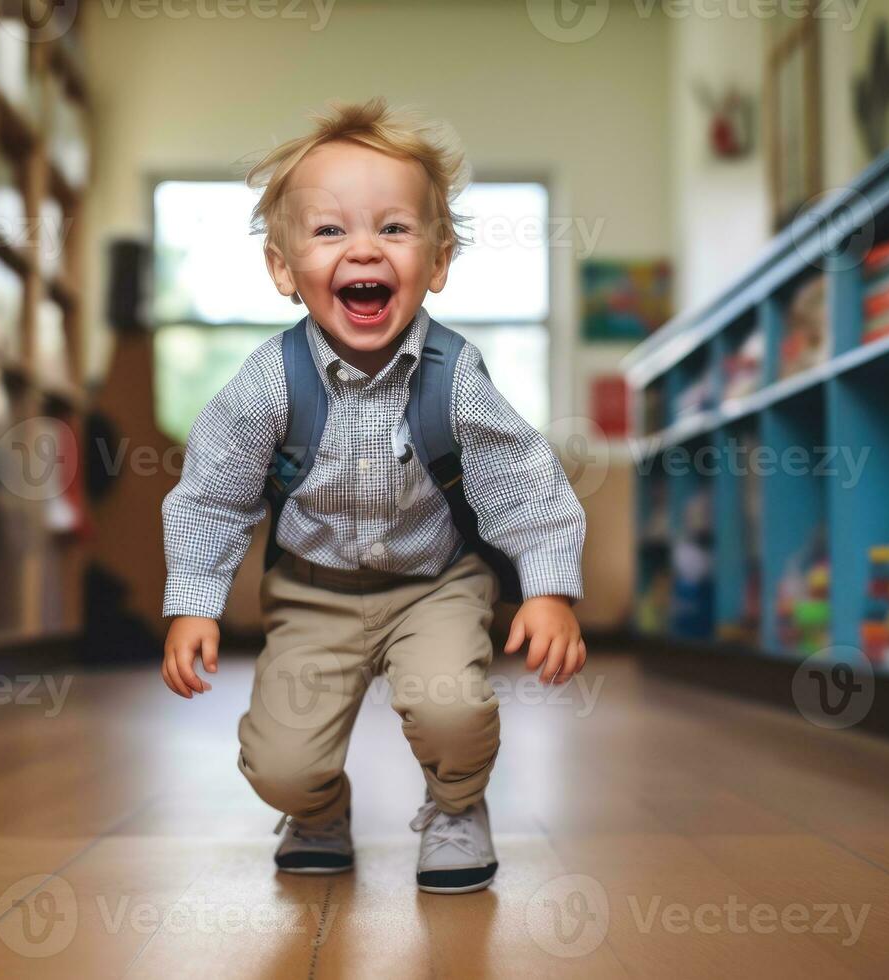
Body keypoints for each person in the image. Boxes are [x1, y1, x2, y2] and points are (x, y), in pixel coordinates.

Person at [160, 97, 586, 894]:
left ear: (440, 259)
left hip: (436, 586)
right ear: (284, 269)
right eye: (329, 231)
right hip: (313, 594)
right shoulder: (267, 383)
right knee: (281, 765)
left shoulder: (454, 375)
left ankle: (458, 807)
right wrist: (194, 602)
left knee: (453, 709)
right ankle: (317, 810)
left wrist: (550, 590)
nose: (365, 249)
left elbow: (525, 481)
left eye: (394, 228)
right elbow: (211, 498)